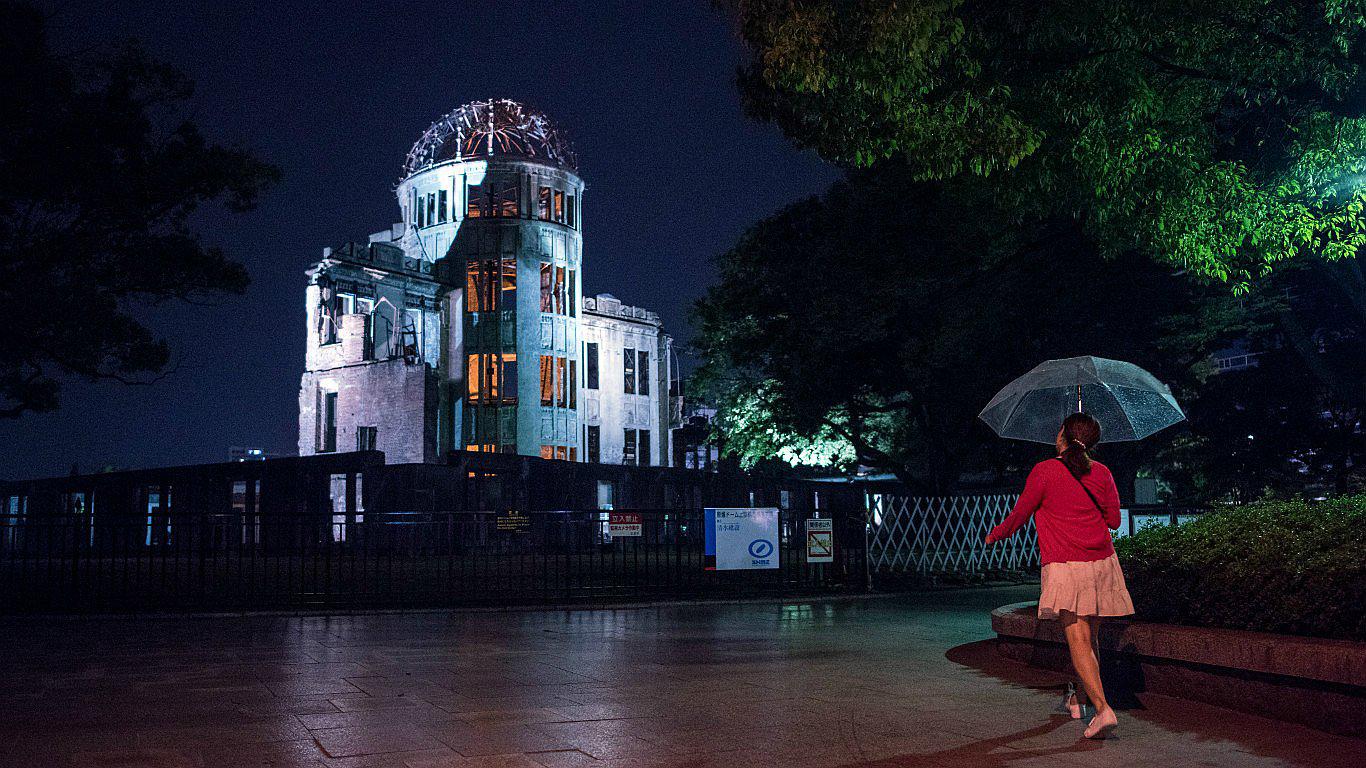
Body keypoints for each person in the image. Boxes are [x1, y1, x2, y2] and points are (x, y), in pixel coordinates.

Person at [984, 412, 1134, 740]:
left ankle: (1103, 708)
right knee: (1089, 640)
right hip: (1102, 563)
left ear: (1063, 435)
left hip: (1067, 565)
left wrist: (995, 535)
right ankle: (1079, 700)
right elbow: (1113, 521)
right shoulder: (1103, 472)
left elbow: (1020, 514)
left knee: (1078, 641)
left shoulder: (1045, 471)